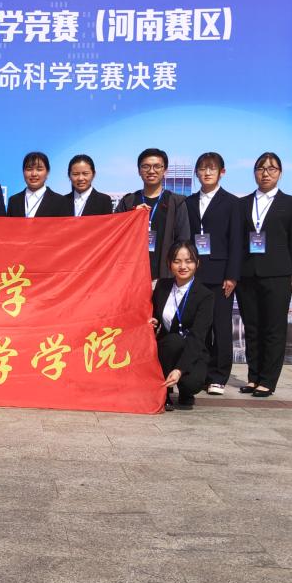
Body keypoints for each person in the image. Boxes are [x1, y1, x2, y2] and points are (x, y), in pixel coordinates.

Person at [235, 152, 292, 397]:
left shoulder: (290, 203)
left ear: (280, 173)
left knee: (273, 328)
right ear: (254, 172)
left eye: (271, 169)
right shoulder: (243, 203)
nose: (266, 173)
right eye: (261, 169)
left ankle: (267, 380)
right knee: (252, 328)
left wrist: (281, 264)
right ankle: (253, 377)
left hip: (277, 275)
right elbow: (238, 240)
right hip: (247, 275)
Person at [184, 152, 241, 395]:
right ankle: (201, 373)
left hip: (220, 276)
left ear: (222, 172)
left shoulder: (232, 203)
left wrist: (232, 276)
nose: (207, 173)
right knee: (200, 326)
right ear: (196, 172)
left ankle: (219, 376)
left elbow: (236, 242)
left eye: (212, 168)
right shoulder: (188, 202)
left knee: (221, 326)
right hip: (194, 274)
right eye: (202, 168)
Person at [150, 242, 214, 411]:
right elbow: (156, 314)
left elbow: (198, 337)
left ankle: (185, 391)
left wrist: (179, 370)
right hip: (168, 347)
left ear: (197, 263)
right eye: (177, 261)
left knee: (192, 383)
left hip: (193, 348)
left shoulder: (205, 296)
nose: (183, 266)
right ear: (169, 263)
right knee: (173, 341)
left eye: (188, 261)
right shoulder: (162, 287)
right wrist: (155, 321)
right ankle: (164, 391)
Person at [115, 148, 190, 281]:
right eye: (146, 166)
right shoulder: (128, 201)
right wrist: (131, 216)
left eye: (157, 166)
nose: (151, 171)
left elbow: (183, 239)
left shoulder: (176, 202)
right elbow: (115, 233)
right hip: (131, 275)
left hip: (164, 276)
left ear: (165, 170)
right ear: (139, 171)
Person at [7, 152, 73, 217]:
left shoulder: (60, 201)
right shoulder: (13, 201)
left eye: (39, 169)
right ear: (23, 172)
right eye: (29, 169)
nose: (34, 174)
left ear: (47, 172)